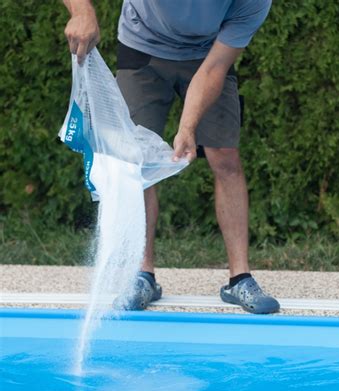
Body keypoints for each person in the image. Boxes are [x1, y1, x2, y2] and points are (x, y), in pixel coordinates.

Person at [63, 0, 280, 314]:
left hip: (208, 54)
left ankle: (240, 278)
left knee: (226, 157)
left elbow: (215, 67)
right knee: (134, 160)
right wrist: (82, 12)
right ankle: (142, 274)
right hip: (143, 44)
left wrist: (188, 125)